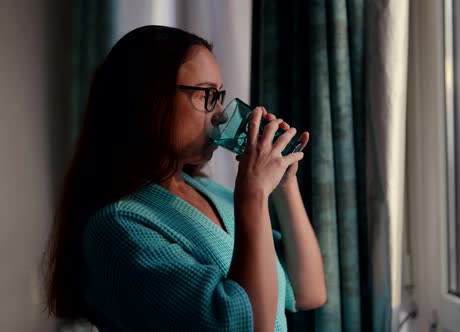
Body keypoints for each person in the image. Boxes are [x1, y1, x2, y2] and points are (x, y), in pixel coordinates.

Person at [43, 25, 326, 331]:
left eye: (219, 95)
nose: (219, 114)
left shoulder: (212, 194)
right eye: (206, 94)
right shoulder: (117, 227)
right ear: (150, 98)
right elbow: (247, 326)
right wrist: (253, 194)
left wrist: (285, 184)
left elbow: (308, 292)